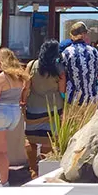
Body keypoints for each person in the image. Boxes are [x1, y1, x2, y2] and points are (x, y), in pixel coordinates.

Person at [0, 48, 29, 187]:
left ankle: (4, 181)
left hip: (0, 113)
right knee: (4, 149)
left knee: (0, 152)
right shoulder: (20, 77)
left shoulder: (0, 77)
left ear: (1, 61)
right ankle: (3, 180)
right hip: (14, 112)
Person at [24, 40, 66, 176]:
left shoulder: (31, 65)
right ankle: (43, 170)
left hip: (33, 107)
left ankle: (32, 169)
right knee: (48, 139)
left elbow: (26, 87)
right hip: (53, 108)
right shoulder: (59, 68)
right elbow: (62, 89)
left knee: (31, 139)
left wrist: (23, 101)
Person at [61, 22, 98, 105]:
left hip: (73, 99)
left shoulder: (66, 53)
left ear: (72, 35)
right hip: (92, 99)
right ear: (84, 35)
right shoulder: (94, 51)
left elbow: (61, 75)